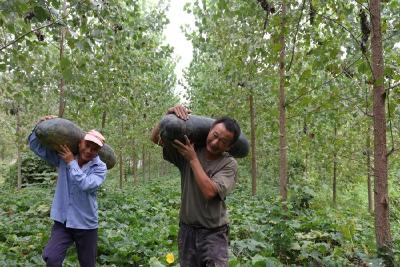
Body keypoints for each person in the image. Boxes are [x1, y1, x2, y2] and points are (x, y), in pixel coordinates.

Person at [151, 105, 241, 267]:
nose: (215, 143)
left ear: (229, 147)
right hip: (187, 232)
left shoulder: (229, 164)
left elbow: (209, 191)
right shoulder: (188, 150)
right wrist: (167, 116)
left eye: (223, 142)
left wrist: (193, 159)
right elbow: (156, 138)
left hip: (214, 234)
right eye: (214, 135)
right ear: (209, 131)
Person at [28, 115, 107, 267]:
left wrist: (71, 163)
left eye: (94, 148)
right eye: (87, 144)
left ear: (98, 152)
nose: (89, 150)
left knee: (88, 264)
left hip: (86, 224)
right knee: (51, 258)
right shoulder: (63, 157)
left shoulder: (100, 168)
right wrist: (40, 124)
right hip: (63, 221)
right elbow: (35, 146)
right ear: (80, 143)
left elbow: (86, 184)